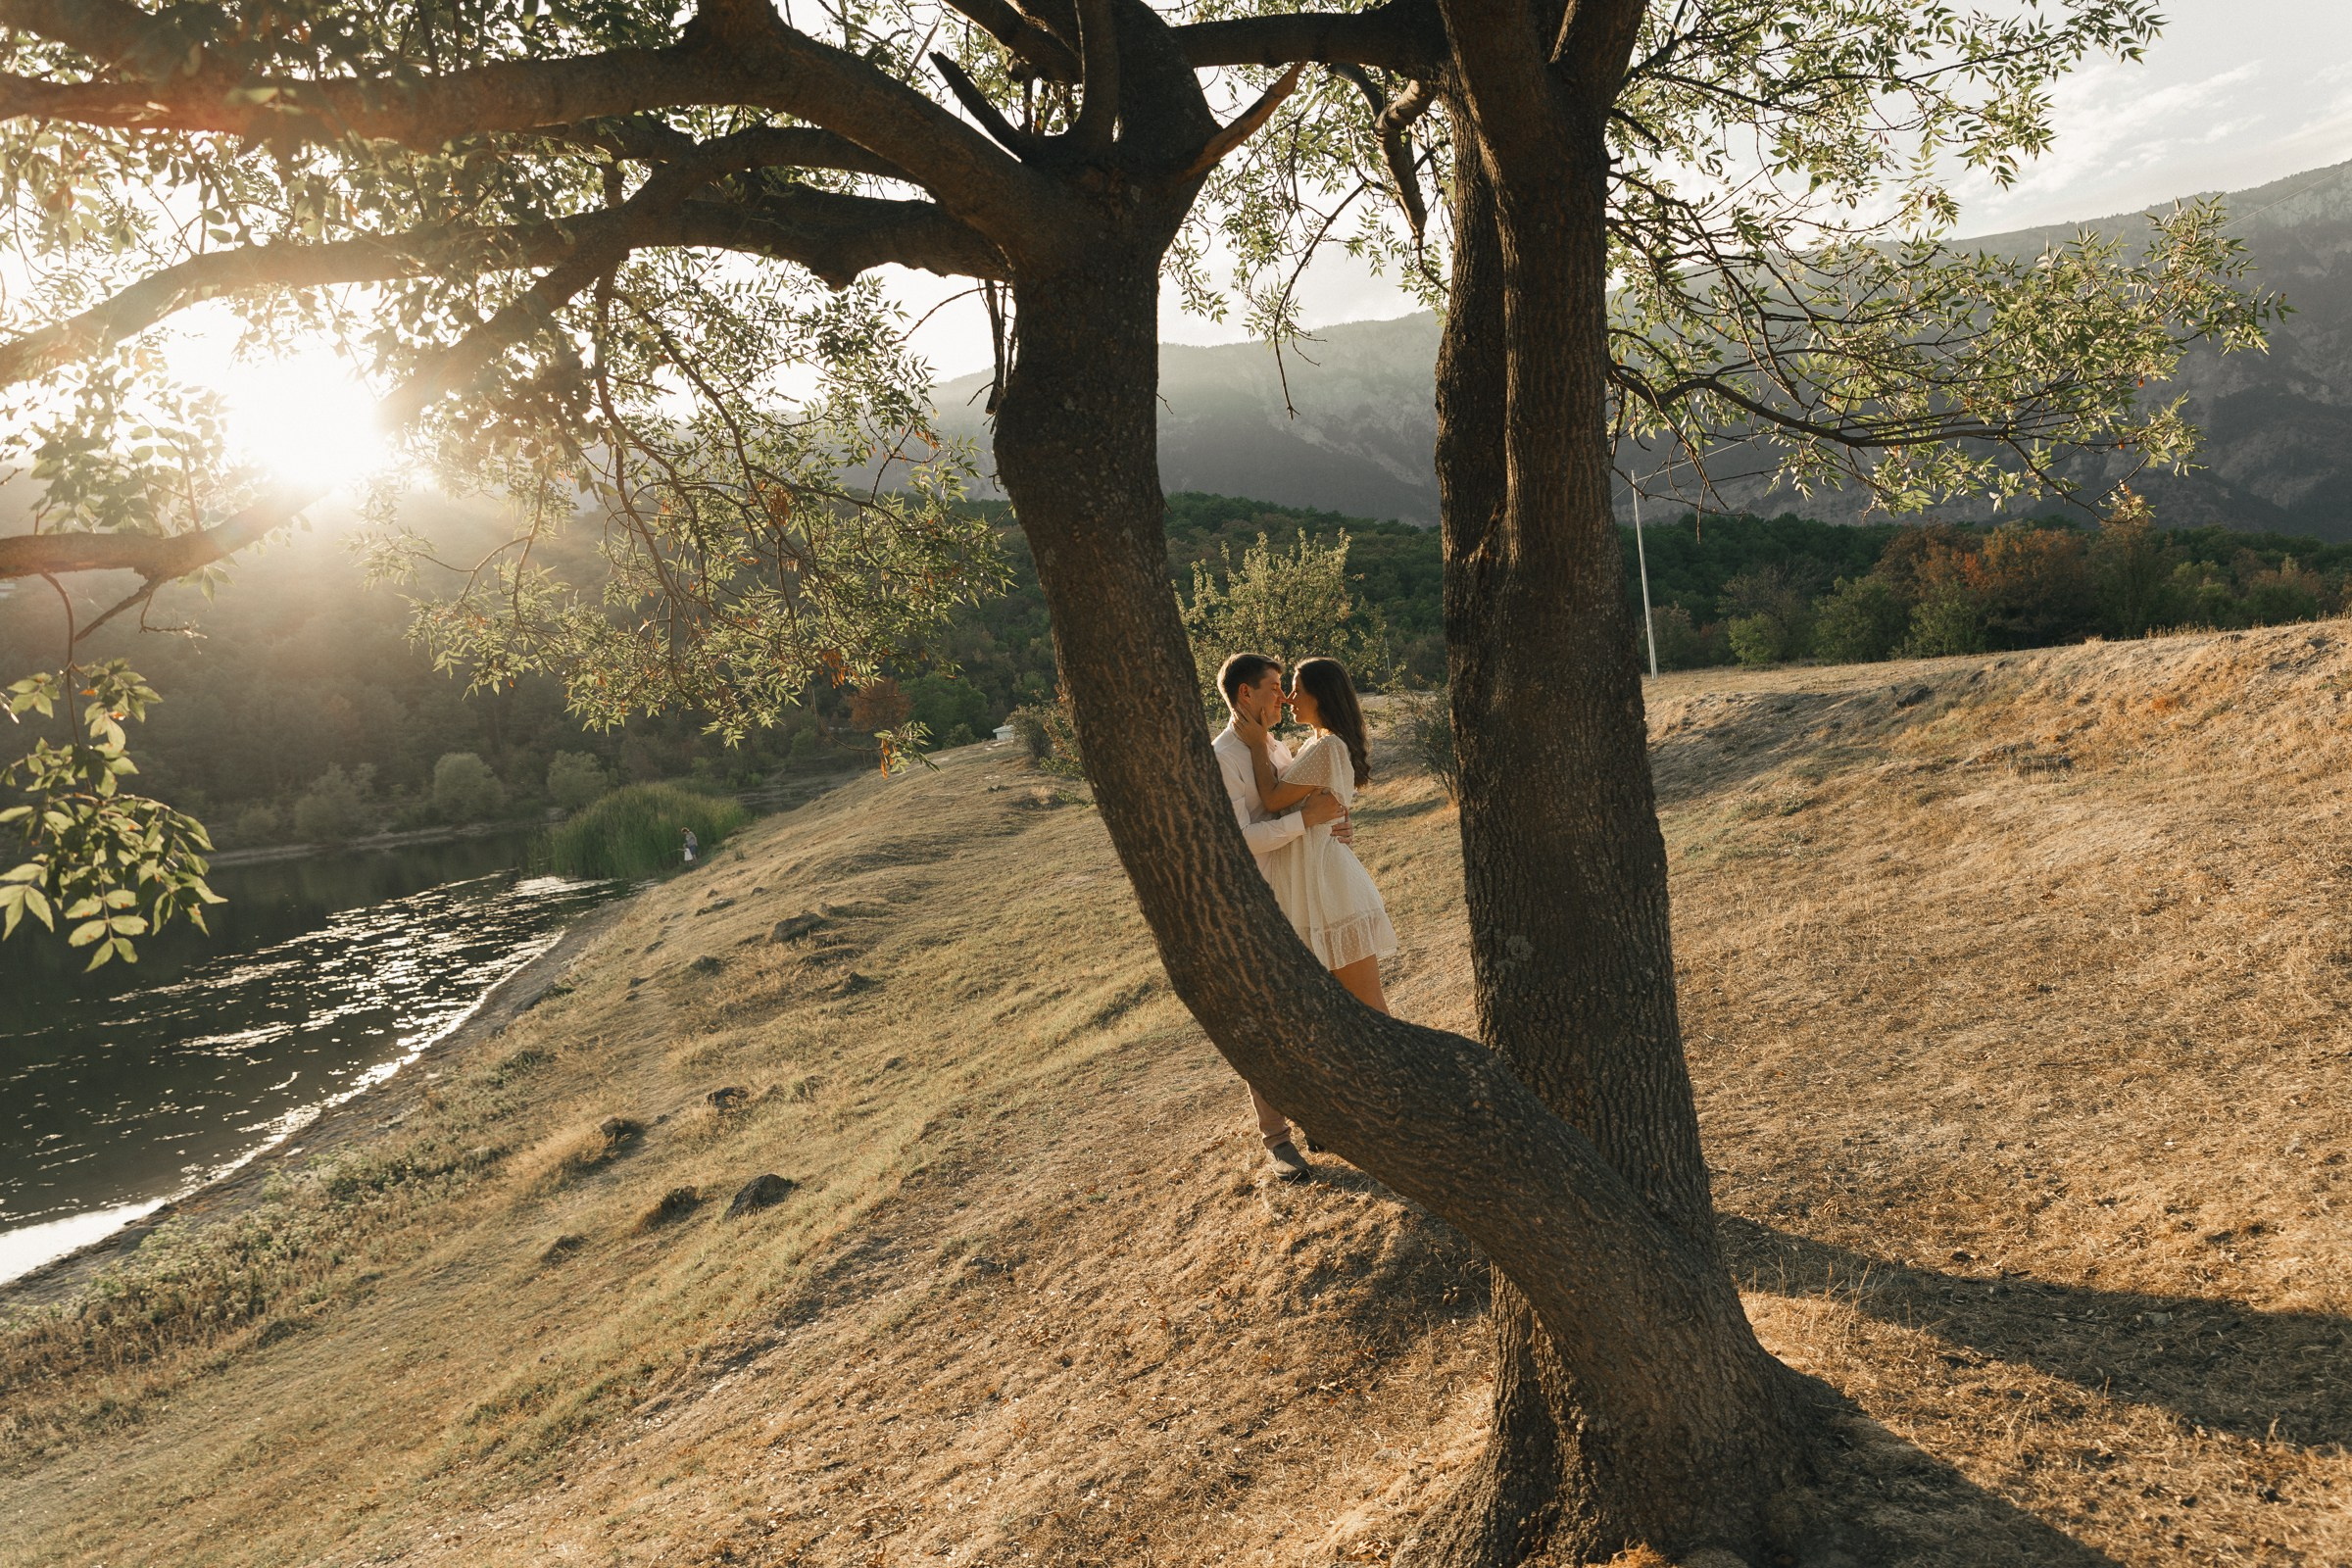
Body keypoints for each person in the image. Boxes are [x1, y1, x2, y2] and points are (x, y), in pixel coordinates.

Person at [1212, 652, 1351, 1184]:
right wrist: (1303, 821)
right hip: (1251, 905)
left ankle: (1319, 1115)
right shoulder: (1224, 756)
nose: (1284, 697)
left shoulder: (1276, 746)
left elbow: (1307, 805)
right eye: (1275, 687)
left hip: (1297, 896)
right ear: (1246, 694)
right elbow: (1238, 840)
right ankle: (1277, 1140)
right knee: (1264, 1020)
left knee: (1309, 1010)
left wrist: (1331, 825)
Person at [1238, 656, 1397, 1015]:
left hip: (1331, 889)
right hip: (1317, 885)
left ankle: (1409, 1071)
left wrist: (1256, 741)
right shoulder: (1316, 745)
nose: (1290, 699)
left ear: (1321, 696)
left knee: (1370, 1009)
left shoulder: (1328, 746)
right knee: (1346, 1013)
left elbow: (1274, 798)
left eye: (1297, 690)